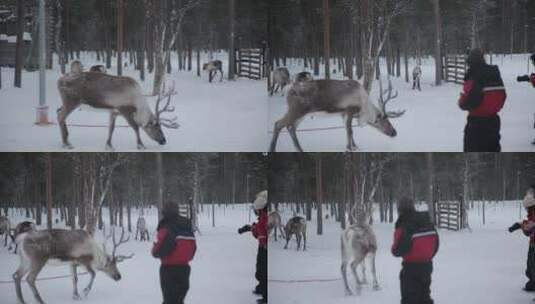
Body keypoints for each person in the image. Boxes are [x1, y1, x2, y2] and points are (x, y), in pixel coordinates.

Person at [391, 197, 439, 304]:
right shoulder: (427, 222)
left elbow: (397, 250)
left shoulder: (404, 225)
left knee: (409, 299)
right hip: (427, 267)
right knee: (425, 296)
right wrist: (427, 256)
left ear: (400, 210)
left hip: (410, 268)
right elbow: (436, 244)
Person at [458, 48, 507, 152]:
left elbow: (467, 102)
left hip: (476, 123)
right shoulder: (495, 74)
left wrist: (461, 101)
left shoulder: (474, 75)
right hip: (494, 122)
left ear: (470, 61)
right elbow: (503, 96)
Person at [152, 202, 197, 304]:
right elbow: (193, 248)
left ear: (165, 212)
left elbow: (159, 251)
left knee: (169, 300)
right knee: (178, 300)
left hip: (169, 270)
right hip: (185, 269)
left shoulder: (167, 226)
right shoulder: (186, 225)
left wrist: (154, 249)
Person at [238, 190, 268, 304]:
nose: (256, 212)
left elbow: (264, 231)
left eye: (257, 210)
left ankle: (266, 297)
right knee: (259, 270)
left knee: (263, 271)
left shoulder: (265, 217)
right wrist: (249, 228)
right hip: (262, 247)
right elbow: (258, 231)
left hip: (265, 248)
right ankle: (262, 287)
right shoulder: (262, 217)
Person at [509, 185, 535, 291]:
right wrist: (519, 224)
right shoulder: (532, 214)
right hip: (533, 243)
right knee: (530, 265)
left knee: (534, 265)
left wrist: (519, 225)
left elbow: (529, 228)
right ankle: (532, 283)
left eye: (527, 207)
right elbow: (529, 225)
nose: (526, 210)